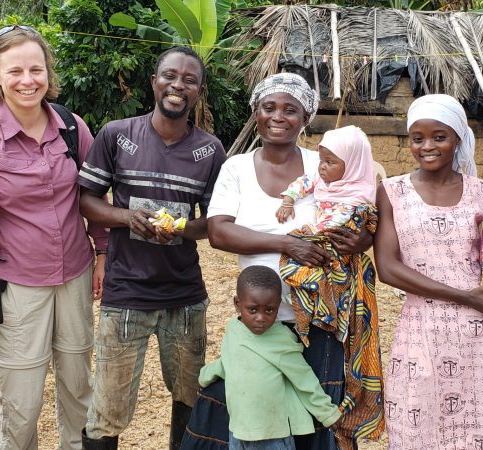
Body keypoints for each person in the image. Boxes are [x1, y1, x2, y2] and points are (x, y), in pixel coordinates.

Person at [183, 73, 380, 450]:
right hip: (260, 319)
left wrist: (363, 239)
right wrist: (287, 244)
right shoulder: (236, 168)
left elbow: (361, 213)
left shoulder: (323, 164)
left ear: (305, 118)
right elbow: (219, 231)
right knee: (250, 410)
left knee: (316, 413)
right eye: (268, 107)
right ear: (255, 113)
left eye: (290, 110)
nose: (278, 116)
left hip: (321, 318)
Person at [0, 25, 107, 449]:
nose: (27, 80)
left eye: (36, 69)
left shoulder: (72, 127)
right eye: (15, 70)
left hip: (75, 274)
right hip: (15, 283)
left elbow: (94, 194)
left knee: (79, 387)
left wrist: (103, 251)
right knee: (22, 401)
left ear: (49, 74)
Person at [77, 46, 227, 450]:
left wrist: (179, 228)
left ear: (199, 92)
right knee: (107, 409)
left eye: (189, 80)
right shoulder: (117, 134)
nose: (178, 85)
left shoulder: (210, 151)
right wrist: (127, 217)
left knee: (189, 397)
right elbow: (86, 199)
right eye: (170, 76)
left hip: (184, 295)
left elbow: (215, 223)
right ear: (154, 82)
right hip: (126, 293)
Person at [374, 94, 483, 449]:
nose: (427, 146)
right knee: (421, 424)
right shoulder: (391, 192)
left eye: (439, 136)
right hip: (424, 327)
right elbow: (387, 268)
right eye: (417, 138)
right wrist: (464, 297)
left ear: (458, 138)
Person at [200, 265, 341, 450]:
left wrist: (328, 414)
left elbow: (304, 379)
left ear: (278, 307)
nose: (261, 318)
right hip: (239, 431)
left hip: (273, 436)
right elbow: (230, 362)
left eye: (269, 310)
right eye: (253, 310)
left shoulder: (281, 339)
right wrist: (204, 376)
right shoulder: (233, 330)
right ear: (237, 304)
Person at [275, 125, 375, 233]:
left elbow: (340, 220)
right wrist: (288, 201)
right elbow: (303, 182)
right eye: (321, 160)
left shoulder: (357, 194)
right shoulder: (321, 179)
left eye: (329, 162)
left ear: (352, 165)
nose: (322, 166)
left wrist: (315, 229)